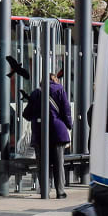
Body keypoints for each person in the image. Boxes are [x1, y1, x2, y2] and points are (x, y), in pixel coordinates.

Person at [26, 69, 74, 198]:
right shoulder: (60, 90)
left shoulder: (36, 93)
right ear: (55, 80)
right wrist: (69, 125)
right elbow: (66, 110)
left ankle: (45, 191)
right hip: (58, 131)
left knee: (42, 164)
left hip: (40, 131)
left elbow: (26, 114)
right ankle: (60, 191)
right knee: (59, 163)